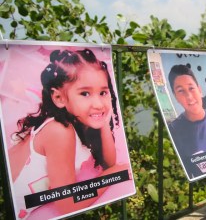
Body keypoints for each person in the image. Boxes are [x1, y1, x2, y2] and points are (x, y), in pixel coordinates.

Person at [9, 49, 128, 218]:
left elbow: (109, 163)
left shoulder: (77, 119)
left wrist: (103, 123)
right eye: (85, 93)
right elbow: (68, 203)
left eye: (103, 92)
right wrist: (111, 176)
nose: (98, 103)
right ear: (59, 98)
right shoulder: (59, 131)